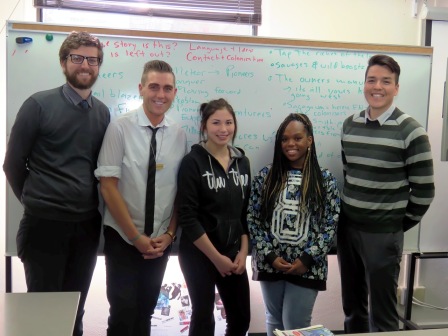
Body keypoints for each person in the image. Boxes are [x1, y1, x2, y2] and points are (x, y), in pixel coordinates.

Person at [3, 31, 110, 336]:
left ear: (98, 65)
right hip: (44, 228)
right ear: (64, 63)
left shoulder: (102, 113)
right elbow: (12, 164)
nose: (85, 65)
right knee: (44, 317)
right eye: (77, 58)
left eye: (92, 59)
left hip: (86, 228)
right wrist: (38, 200)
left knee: (74, 312)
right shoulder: (38, 105)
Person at [338, 54, 435, 333]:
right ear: (364, 84)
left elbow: (425, 191)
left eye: (386, 81)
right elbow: (350, 173)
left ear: (396, 88)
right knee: (353, 308)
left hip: (383, 233)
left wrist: (396, 224)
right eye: (371, 80)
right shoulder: (350, 125)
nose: (377, 87)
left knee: (383, 315)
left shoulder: (411, 131)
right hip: (348, 229)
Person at [94, 59, 187, 336]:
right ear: (141, 89)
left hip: (160, 241)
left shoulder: (179, 135)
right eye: (154, 87)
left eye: (167, 88)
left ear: (174, 92)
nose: (161, 94)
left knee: (146, 311)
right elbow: (108, 187)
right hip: (123, 238)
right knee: (122, 312)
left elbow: (180, 191)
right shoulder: (119, 128)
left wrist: (170, 235)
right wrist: (136, 238)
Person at [247, 112, 340, 336]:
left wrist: (307, 259)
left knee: (296, 324)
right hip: (270, 264)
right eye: (285, 139)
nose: (290, 144)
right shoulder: (266, 176)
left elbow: (331, 224)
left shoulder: (324, 180)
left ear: (310, 141)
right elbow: (253, 218)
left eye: (297, 138)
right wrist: (269, 256)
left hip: (307, 267)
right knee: (274, 322)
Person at [177, 98, 251, 336]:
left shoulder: (242, 162)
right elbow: (187, 217)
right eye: (216, 122)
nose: (223, 129)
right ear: (205, 126)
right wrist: (217, 258)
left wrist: (242, 252)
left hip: (233, 254)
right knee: (203, 318)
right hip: (199, 254)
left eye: (229, 122)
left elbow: (243, 213)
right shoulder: (192, 162)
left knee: (241, 319)